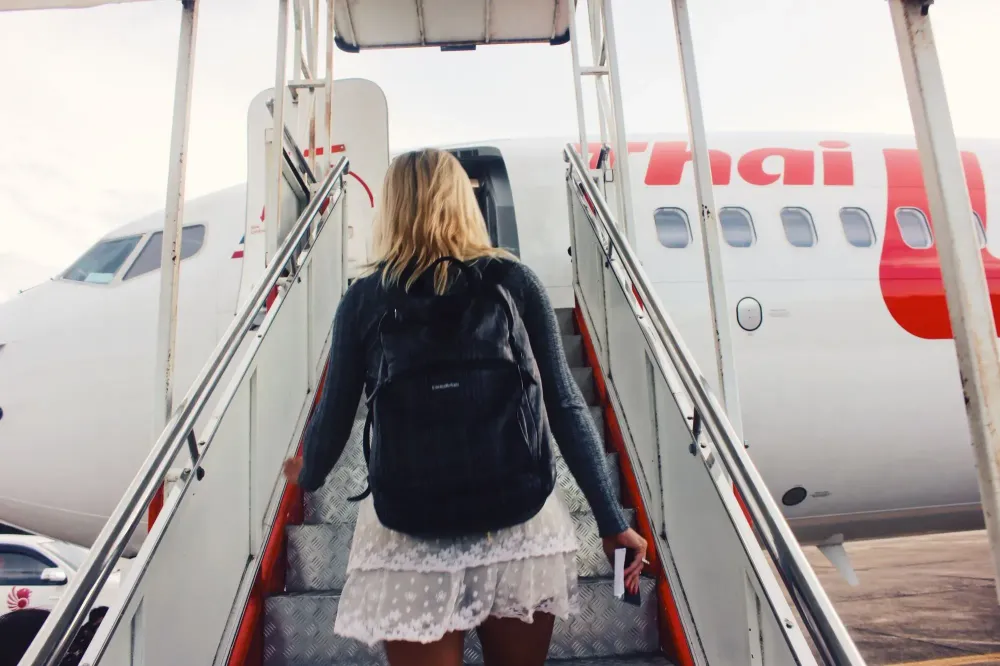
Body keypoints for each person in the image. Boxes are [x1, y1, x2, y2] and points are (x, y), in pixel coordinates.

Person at [282, 147, 647, 666]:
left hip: (410, 533)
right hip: (518, 525)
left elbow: (332, 423)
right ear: (464, 202)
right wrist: (611, 521)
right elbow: (565, 405)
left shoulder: (365, 299)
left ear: (391, 209)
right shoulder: (514, 281)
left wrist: (304, 472)